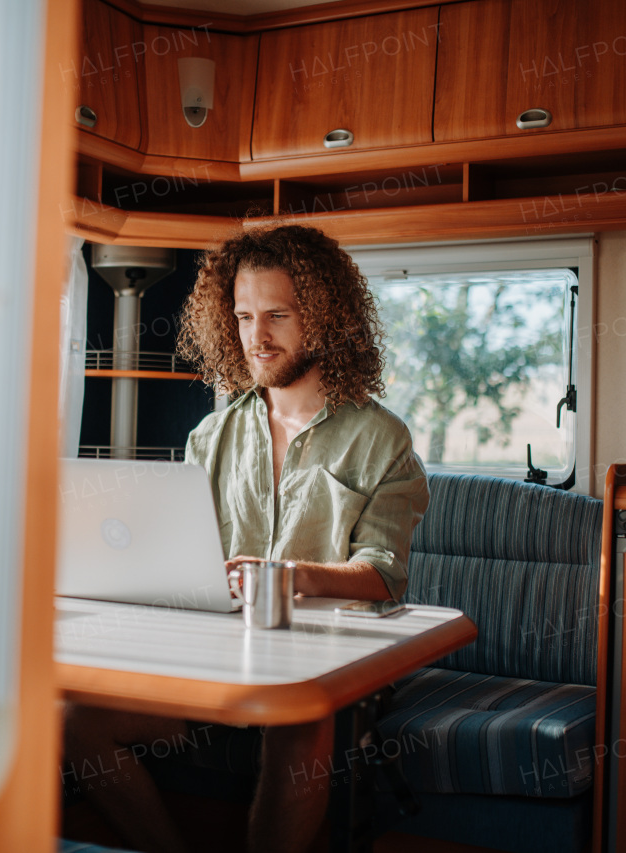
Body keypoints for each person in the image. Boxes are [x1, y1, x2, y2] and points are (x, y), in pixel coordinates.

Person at [63, 223, 429, 853]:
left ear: (324, 316)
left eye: (278, 316)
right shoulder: (212, 435)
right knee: (70, 719)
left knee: (295, 723)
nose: (256, 338)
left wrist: (287, 575)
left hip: (327, 660)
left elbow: (383, 576)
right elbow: (185, 557)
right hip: (219, 659)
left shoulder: (381, 438)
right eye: (242, 316)